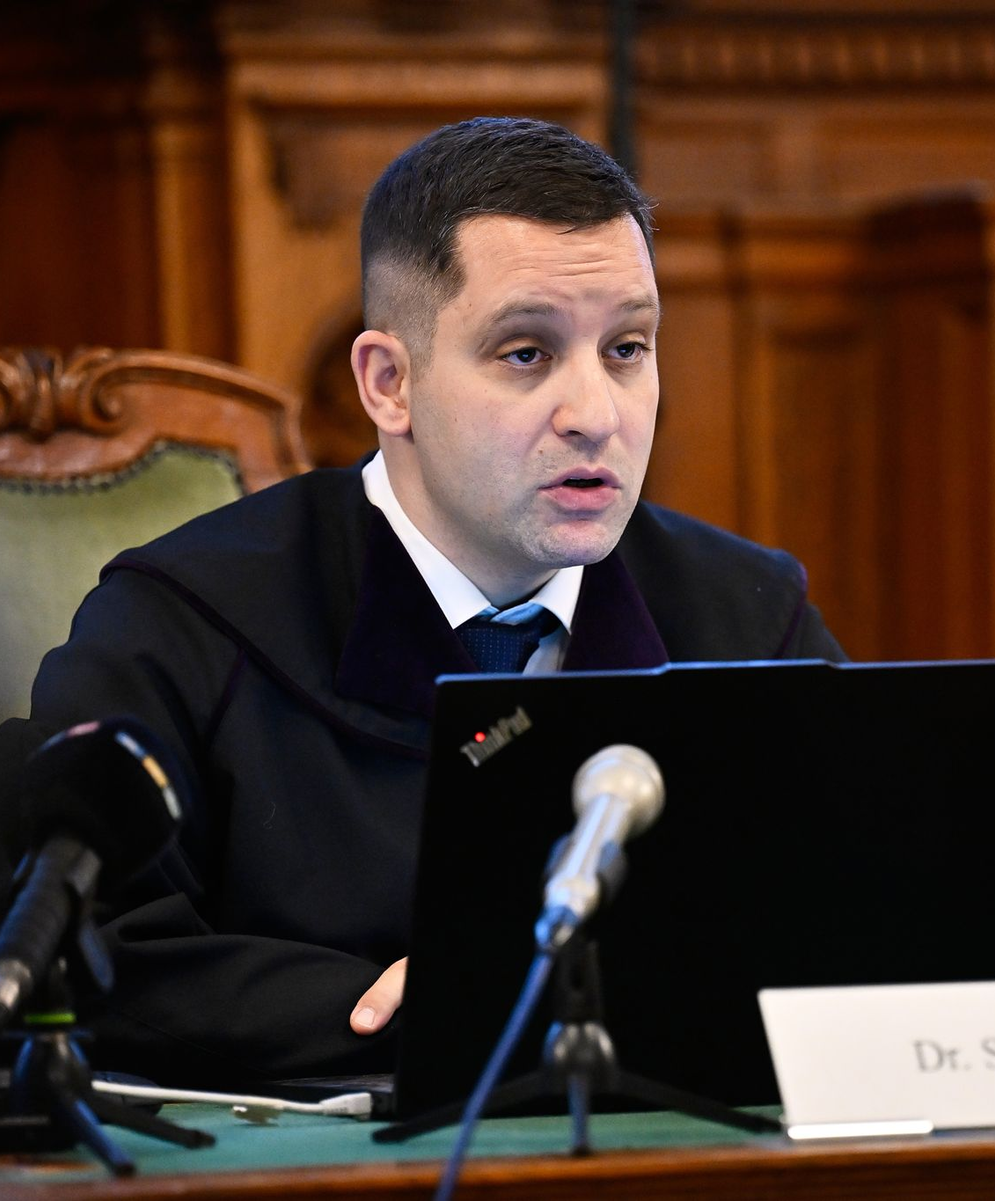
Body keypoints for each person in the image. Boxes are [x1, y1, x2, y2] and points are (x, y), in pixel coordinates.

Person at [0, 116, 846, 1087]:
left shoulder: (750, 617)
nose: (596, 413)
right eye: (526, 353)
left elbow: (900, 916)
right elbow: (84, 952)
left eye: (627, 348)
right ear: (388, 382)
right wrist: (407, 1011)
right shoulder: (184, 620)